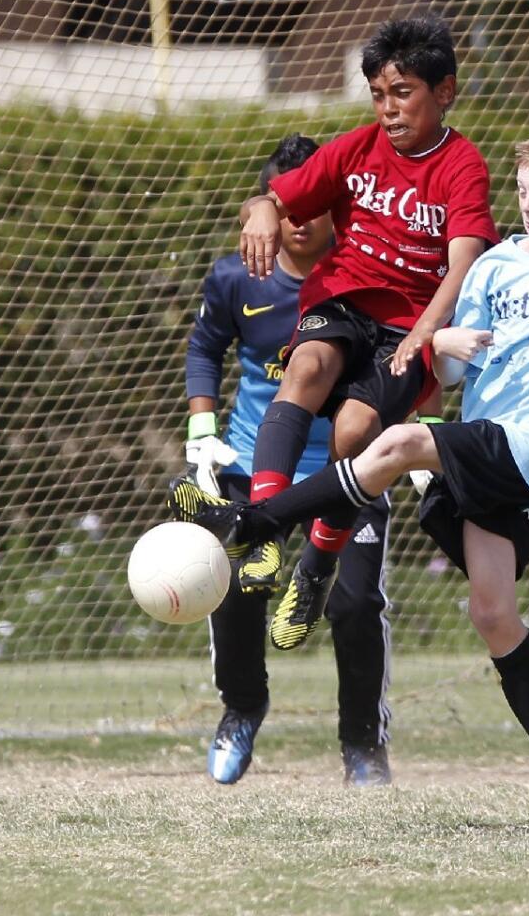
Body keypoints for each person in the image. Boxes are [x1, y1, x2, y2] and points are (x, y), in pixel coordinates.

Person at [169, 125, 529, 834]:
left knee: (392, 444)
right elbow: (454, 370)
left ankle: (251, 524)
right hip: (486, 451)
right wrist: (442, 344)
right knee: (493, 616)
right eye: (522, 192)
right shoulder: (493, 267)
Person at [234, 16, 499, 652]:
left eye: (402, 92)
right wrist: (265, 211)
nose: (388, 108)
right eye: (379, 94)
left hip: (411, 323)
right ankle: (267, 536)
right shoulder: (354, 149)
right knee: (306, 368)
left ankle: (316, 565)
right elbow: (277, 195)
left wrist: (427, 333)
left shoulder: (462, 166)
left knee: (354, 432)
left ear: (445, 91)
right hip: (343, 298)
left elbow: (463, 261)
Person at [184, 134, 397, 787]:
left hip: (345, 474)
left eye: (314, 203)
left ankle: (363, 744)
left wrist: (410, 434)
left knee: (355, 604)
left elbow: (404, 362)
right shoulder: (235, 278)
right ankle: (242, 709)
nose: (300, 219)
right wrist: (201, 429)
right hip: (256, 463)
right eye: (286, 205)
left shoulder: (366, 282)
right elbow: (204, 347)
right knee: (236, 588)